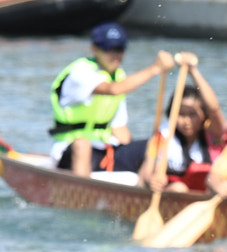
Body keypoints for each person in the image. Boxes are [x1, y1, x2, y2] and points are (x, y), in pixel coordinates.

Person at [49, 24, 178, 179]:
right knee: (82, 143)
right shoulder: (80, 73)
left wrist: (137, 154)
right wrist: (154, 69)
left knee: (153, 144)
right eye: (108, 49)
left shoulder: (119, 76)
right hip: (70, 151)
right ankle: (83, 197)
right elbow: (113, 89)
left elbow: (119, 129)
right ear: (94, 49)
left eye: (119, 49)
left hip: (104, 151)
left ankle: (149, 188)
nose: (115, 55)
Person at [147, 60, 227, 192]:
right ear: (172, 113)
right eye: (180, 114)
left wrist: (193, 71)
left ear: (204, 115)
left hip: (206, 194)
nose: (186, 121)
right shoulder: (163, 134)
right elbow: (146, 171)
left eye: (192, 114)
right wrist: (152, 180)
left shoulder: (213, 134)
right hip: (174, 192)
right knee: (179, 188)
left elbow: (214, 108)